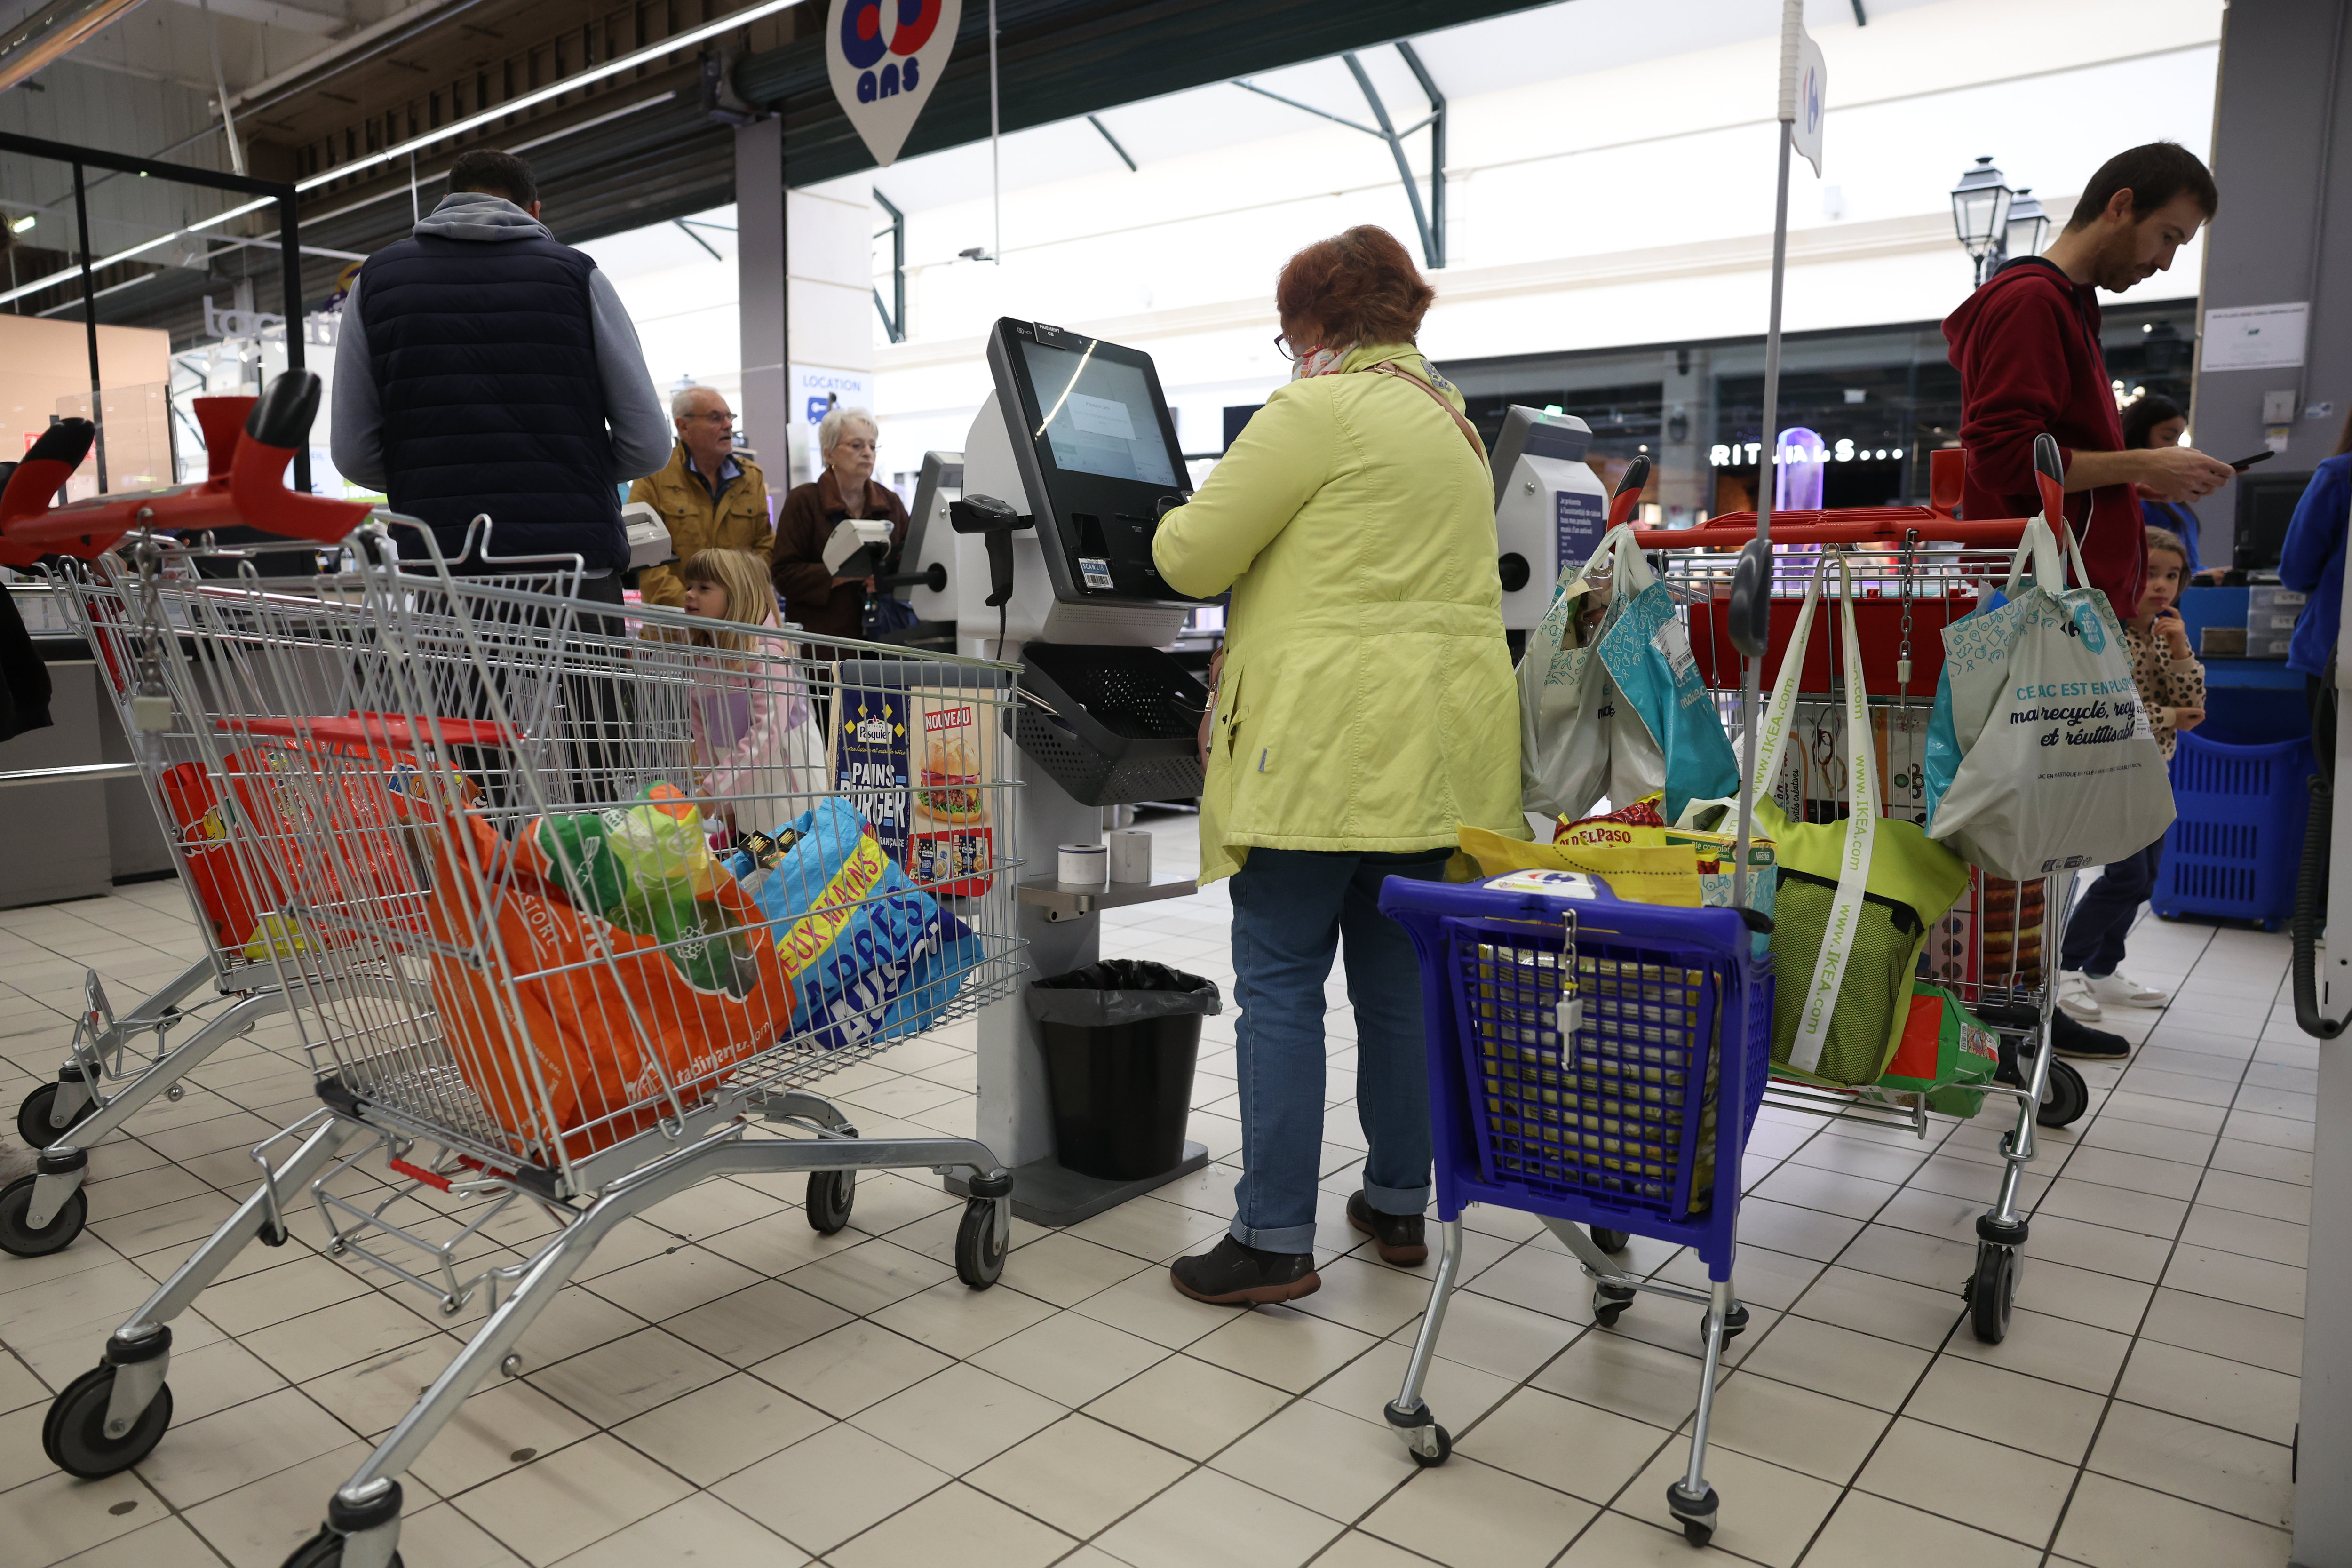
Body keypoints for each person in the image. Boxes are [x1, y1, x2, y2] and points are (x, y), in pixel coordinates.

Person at [1151, 225, 1525, 1305]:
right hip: (1438, 759)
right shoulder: (1448, 421)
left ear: (1314, 322)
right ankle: (1397, 1203)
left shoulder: (1315, 408)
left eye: (1286, 333)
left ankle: (1272, 1238)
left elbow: (1188, 552)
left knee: (1278, 982)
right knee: (1396, 986)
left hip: (1320, 754)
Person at [331, 148, 672, 594]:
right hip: (572, 575)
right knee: (582, 669)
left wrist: (428, 476)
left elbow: (353, 453)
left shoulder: (375, 283)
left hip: (446, 575)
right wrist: (568, 470)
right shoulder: (578, 276)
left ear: (445, 201)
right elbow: (648, 444)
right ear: (534, 210)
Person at [1943, 142, 2235, 628]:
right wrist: (2140, 461)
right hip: (2047, 617)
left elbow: (2031, 457)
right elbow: (2000, 458)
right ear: (2119, 206)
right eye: (2165, 237)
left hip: (2060, 610)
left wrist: (2126, 479)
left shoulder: (2063, 304)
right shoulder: (2033, 302)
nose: (2164, 262)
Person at [2055, 526, 2206, 1050]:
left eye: (2172, 576)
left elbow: (2193, 702)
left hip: (2152, 773)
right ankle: (2064, 966)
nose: (2161, 586)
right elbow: (2108, 709)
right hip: (2109, 773)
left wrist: (2181, 648)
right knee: (2124, 877)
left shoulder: (2161, 633)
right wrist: (2169, 715)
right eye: (2151, 574)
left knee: (2144, 881)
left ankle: (2101, 967)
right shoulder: (2106, 632)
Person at [675, 547, 824, 835]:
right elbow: (703, 737)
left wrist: (716, 790)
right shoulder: (704, 661)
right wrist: (724, 804)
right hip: (746, 793)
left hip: (792, 789)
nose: (690, 595)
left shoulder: (767, 658)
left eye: (704, 588)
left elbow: (768, 733)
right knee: (765, 864)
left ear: (737, 598)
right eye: (689, 586)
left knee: (805, 867)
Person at [772, 406, 908, 662]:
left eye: (872, 446)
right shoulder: (804, 502)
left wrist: (885, 579)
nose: (867, 453)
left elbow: (910, 561)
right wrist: (838, 574)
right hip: (826, 647)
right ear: (828, 452)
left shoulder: (891, 503)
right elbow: (784, 575)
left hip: (885, 641)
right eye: (856, 446)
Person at [634, 388, 775, 610]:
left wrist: (736, 601)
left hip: (736, 623)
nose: (728, 425)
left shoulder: (751, 478)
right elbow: (643, 554)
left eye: (730, 417)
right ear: (684, 427)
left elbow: (764, 549)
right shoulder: (655, 477)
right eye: (716, 418)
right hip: (673, 626)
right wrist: (694, 606)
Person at [2278, 409, 2352, 779]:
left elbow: (2296, 570)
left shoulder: (2340, 475)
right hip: (2335, 658)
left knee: (2338, 790)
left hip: (2334, 656)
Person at [2122, 394, 2216, 578]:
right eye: (2167, 437)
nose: (2174, 447)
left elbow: (2188, 562)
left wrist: (2206, 575)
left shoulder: (2170, 497)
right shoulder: (2130, 495)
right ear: (2141, 435)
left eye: (2178, 439)